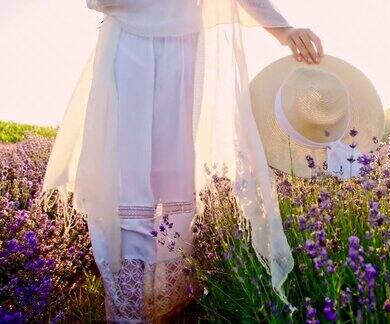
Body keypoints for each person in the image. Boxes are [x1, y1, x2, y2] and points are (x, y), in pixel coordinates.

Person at [39, 0, 323, 322]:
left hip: (182, 48)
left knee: (173, 172)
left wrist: (284, 31)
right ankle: (128, 311)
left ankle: (165, 303)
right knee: (128, 174)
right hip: (129, 46)